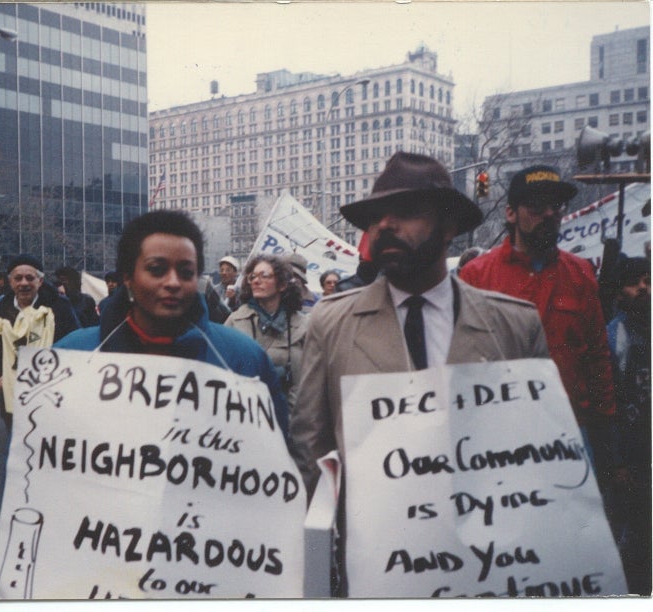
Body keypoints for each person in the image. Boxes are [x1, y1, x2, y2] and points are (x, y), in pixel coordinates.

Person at [291, 151, 548, 532]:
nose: (385, 225)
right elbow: (311, 450)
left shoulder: (515, 325)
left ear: (449, 226)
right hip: (377, 555)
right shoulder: (330, 324)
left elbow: (539, 453)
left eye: (407, 211)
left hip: (490, 551)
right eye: (375, 217)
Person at [55, 210, 290, 440]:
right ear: (127, 276)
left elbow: (274, 457)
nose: (173, 282)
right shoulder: (72, 354)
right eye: (157, 270)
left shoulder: (243, 358)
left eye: (186, 272)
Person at [459, 164, 617, 478]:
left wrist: (607, 435)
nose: (548, 214)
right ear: (511, 213)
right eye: (536, 206)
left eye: (556, 206)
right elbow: (461, 364)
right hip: (499, 435)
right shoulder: (476, 275)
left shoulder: (580, 274)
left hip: (571, 430)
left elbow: (598, 357)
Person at [0, 254, 81, 432]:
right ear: (10, 282)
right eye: (18, 278)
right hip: (14, 400)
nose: (24, 283)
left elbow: (76, 345)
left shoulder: (59, 307)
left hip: (53, 396)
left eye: (30, 278)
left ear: (40, 281)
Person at [605, 257, 651, 594]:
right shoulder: (613, 336)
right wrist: (617, 460)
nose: (643, 289)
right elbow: (609, 404)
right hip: (632, 458)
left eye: (647, 281)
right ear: (619, 292)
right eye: (634, 283)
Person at [224, 254, 307, 421]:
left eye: (265, 276)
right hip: (245, 420)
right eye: (252, 276)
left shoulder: (303, 326)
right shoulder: (235, 322)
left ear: (282, 284)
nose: (256, 281)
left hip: (294, 424)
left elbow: (312, 383)